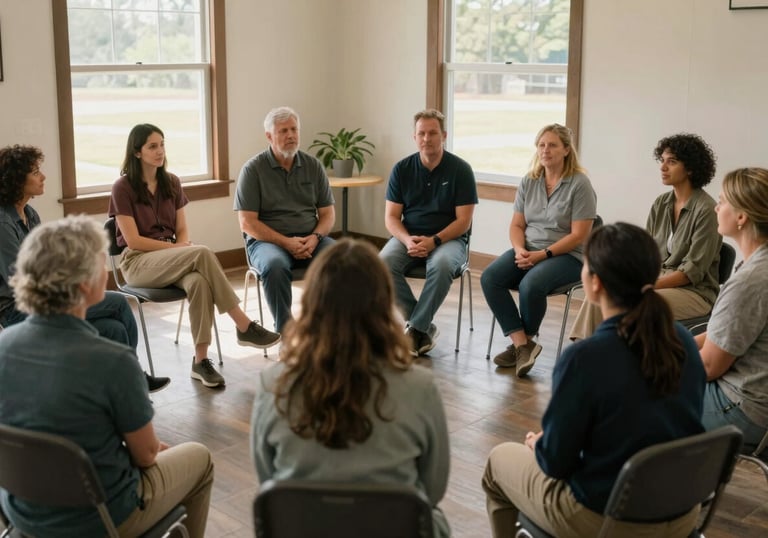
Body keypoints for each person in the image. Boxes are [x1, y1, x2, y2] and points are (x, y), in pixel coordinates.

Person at [482, 222, 706, 537]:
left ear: (595, 283)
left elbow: (557, 464)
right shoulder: (681, 339)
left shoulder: (585, 358)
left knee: (499, 462)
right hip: (681, 511)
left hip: (609, 518)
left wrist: (540, 446)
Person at [0, 215, 214, 537]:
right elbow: (145, 456)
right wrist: (153, 449)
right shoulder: (113, 362)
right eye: (102, 262)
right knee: (201, 458)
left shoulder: (3, 348)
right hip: (102, 518)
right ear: (85, 283)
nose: (107, 271)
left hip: (23, 514)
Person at [251, 239, 451, 537]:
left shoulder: (272, 383)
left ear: (311, 304)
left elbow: (268, 478)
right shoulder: (420, 388)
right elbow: (432, 489)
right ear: (384, 305)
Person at [109, 124, 280, 389]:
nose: (160, 151)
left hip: (172, 258)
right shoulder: (122, 187)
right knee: (200, 252)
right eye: (152, 146)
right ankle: (242, 324)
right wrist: (180, 249)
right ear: (137, 152)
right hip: (138, 262)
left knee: (199, 283)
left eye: (162, 144)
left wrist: (180, 246)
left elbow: (181, 229)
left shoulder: (172, 182)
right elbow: (133, 240)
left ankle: (200, 361)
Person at [0, 144, 169, 392]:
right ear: (16, 179)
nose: (43, 176)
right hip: (20, 310)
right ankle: (132, 381)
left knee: (114, 328)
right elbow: (22, 277)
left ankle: (117, 387)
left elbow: (45, 263)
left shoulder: (29, 213)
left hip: (46, 298)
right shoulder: (3, 223)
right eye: (36, 171)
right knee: (119, 303)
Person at [570, 133, 721, 339]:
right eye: (662, 161)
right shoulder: (661, 203)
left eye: (672, 162)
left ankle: (604, 359)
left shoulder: (707, 210)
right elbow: (645, 253)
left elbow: (690, 273)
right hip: (655, 280)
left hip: (694, 293)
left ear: (691, 168)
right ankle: (585, 351)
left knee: (626, 302)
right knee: (601, 292)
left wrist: (640, 285)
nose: (663, 167)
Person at [480, 124, 596, 377]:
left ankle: (522, 344)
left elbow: (580, 235)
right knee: (490, 278)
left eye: (553, 145)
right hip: (528, 250)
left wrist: (543, 255)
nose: (546, 150)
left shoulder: (580, 184)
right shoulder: (529, 181)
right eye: (542, 145)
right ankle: (523, 344)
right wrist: (520, 249)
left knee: (530, 285)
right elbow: (517, 224)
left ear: (566, 149)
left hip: (569, 256)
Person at [380, 109, 477, 356]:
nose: (427, 138)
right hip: (408, 236)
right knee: (381, 265)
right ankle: (422, 327)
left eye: (432, 133)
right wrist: (406, 239)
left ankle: (415, 330)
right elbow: (391, 218)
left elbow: (464, 221)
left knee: (443, 265)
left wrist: (434, 241)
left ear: (443, 135)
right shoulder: (402, 169)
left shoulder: (461, 170)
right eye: (421, 133)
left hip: (449, 239)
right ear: (414, 137)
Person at [235, 106, 336, 333]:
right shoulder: (253, 170)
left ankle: (330, 329)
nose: (291, 135)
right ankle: (286, 332)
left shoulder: (313, 166)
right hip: (267, 243)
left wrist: (316, 237)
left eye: (294, 129)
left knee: (344, 261)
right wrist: (286, 242)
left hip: (312, 239)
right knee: (275, 266)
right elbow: (247, 223)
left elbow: (328, 214)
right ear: (269, 136)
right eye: (283, 131)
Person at [696, 167, 768, 456]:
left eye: (723, 201)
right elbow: (723, 335)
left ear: (741, 217)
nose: (716, 206)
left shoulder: (750, 281)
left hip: (742, 410)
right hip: (757, 397)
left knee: (631, 393)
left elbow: (710, 368)